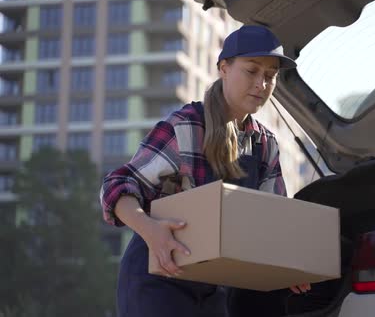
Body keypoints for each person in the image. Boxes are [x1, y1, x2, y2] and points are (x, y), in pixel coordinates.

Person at [100, 25, 310, 317]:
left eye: (270, 76)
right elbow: (117, 187)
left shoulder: (265, 145)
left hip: (213, 287)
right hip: (157, 282)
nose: (262, 84)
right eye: (252, 71)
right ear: (224, 68)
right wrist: (152, 232)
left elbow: (270, 221)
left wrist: (288, 265)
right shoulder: (185, 127)